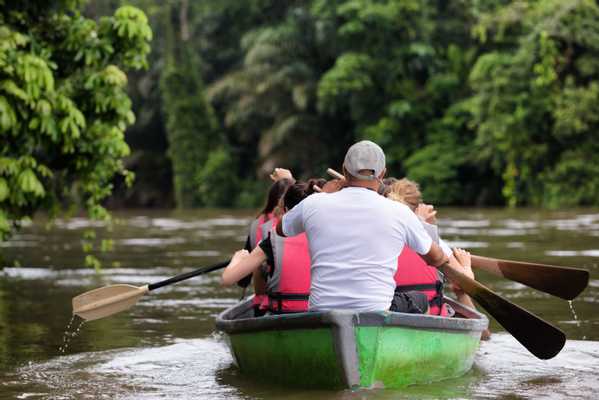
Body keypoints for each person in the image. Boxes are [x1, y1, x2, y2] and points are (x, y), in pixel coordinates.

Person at [276, 140, 449, 313]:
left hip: (322, 310)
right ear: (382, 174)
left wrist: (324, 195)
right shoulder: (400, 211)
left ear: (344, 170)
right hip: (376, 310)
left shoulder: (313, 203)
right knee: (420, 300)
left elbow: (281, 229)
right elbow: (436, 258)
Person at [222, 181, 322, 314]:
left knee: (260, 268)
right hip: (318, 312)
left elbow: (227, 279)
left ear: (285, 210)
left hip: (283, 313)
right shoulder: (326, 236)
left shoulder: (271, 239)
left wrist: (237, 258)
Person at [242, 177, 294, 315]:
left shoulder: (257, 224)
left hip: (267, 294)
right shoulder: (299, 222)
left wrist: (243, 282)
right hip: (294, 296)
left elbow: (243, 277)